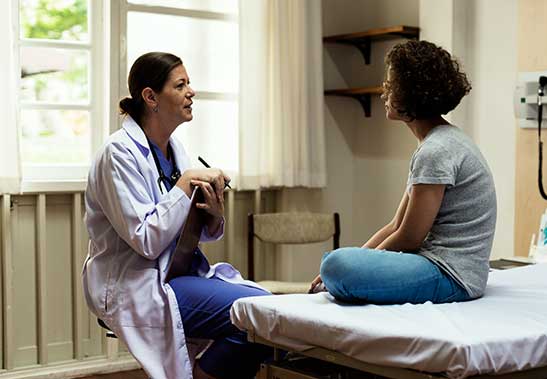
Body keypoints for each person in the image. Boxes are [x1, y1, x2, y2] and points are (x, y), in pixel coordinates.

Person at [82, 52, 270, 379]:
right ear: (151, 97)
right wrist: (184, 186)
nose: (191, 92)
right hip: (135, 284)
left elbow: (196, 232)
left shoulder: (176, 149)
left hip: (174, 274)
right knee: (258, 315)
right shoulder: (118, 154)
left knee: (265, 307)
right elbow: (147, 240)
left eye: (189, 83)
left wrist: (211, 213)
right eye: (180, 85)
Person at [310, 40, 497, 305]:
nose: (383, 92)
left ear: (413, 93)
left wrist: (354, 264)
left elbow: (410, 237)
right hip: (445, 267)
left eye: (391, 85)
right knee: (338, 262)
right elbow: (397, 225)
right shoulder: (437, 143)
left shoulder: (436, 151)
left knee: (336, 265)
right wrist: (361, 257)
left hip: (452, 275)